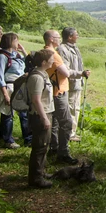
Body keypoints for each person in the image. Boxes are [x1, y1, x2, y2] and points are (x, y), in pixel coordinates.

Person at [43, 30, 78, 165]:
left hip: (53, 90)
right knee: (66, 122)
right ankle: (63, 153)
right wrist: (77, 73)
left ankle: (54, 147)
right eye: (57, 37)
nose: (59, 39)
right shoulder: (53, 54)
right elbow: (66, 72)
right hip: (59, 91)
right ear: (51, 39)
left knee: (56, 122)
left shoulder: (45, 51)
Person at [0, 32, 31, 149]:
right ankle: (8, 140)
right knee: (8, 114)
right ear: (11, 41)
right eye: (16, 40)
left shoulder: (16, 55)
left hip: (20, 86)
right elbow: (0, 77)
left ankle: (28, 138)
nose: (18, 43)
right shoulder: (1, 57)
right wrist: (5, 94)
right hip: (9, 87)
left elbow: (29, 62)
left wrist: (23, 51)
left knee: (24, 113)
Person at [27, 49, 56, 189]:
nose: (53, 61)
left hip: (44, 113)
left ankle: (40, 172)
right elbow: (36, 100)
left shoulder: (43, 74)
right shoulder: (37, 77)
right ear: (44, 62)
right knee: (39, 147)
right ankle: (35, 179)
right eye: (51, 59)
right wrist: (44, 118)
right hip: (40, 115)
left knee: (44, 145)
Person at [57, 27, 90, 142]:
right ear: (70, 36)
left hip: (77, 83)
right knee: (70, 109)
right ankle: (69, 134)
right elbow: (65, 69)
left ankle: (72, 132)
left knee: (75, 108)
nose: (78, 36)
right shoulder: (62, 49)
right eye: (76, 34)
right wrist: (80, 74)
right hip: (70, 84)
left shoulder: (74, 48)